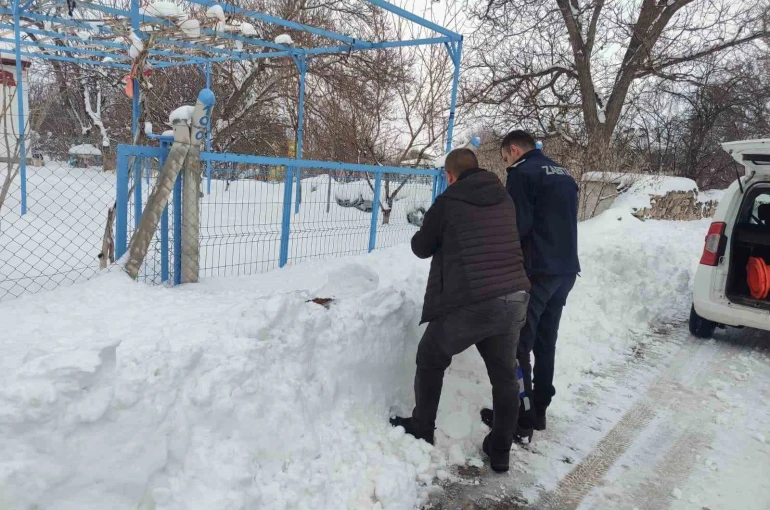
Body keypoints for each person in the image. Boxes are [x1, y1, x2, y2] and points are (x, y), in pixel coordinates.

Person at [389, 148, 530, 473]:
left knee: (430, 357)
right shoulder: (504, 198)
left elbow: (422, 247)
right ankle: (500, 450)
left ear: (449, 176)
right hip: (515, 296)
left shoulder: (448, 201)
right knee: (505, 377)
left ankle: (422, 427)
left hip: (473, 300)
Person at [482, 130, 580, 442]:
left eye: (504, 158)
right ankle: (539, 410)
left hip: (537, 271)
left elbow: (516, 226)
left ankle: (519, 418)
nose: (506, 163)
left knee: (519, 345)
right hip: (565, 271)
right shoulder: (563, 173)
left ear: (513, 150)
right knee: (546, 342)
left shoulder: (522, 174)